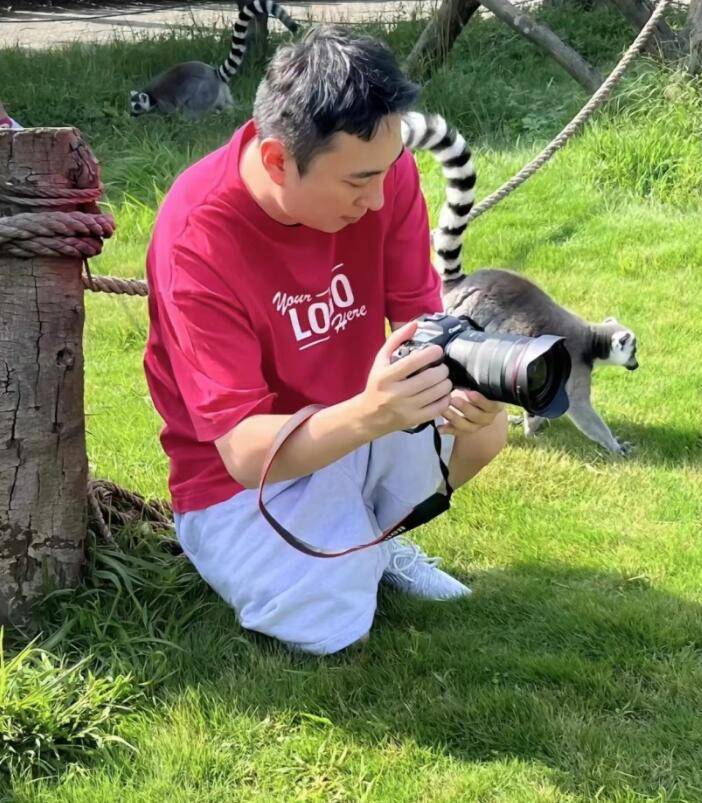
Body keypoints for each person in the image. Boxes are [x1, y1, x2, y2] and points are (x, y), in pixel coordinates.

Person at [144, 25, 507, 655]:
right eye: (357, 182)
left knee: (485, 430)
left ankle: (368, 542)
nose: (378, 199)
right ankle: (360, 547)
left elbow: (422, 321)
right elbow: (243, 453)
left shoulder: (382, 174)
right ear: (277, 160)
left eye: (387, 171)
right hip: (240, 483)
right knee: (330, 629)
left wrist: (462, 387)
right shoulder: (197, 238)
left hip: (357, 423)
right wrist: (375, 412)